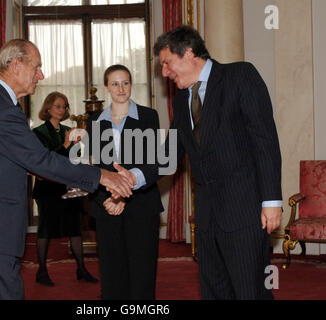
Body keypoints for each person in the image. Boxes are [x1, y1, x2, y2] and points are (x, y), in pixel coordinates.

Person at [0, 39, 133, 300]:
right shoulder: (0, 108)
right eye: (36, 67)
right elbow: (41, 160)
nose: (41, 75)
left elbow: (9, 160)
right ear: (16, 65)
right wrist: (103, 176)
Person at [117, 25, 283, 299]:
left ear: (189, 53)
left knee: (250, 292)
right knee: (215, 292)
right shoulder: (183, 100)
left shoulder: (239, 76)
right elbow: (169, 153)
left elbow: (264, 141)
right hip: (207, 219)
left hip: (244, 213)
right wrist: (133, 177)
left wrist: (272, 201)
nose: (165, 72)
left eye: (167, 63)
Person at [85, 64, 164, 300]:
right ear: (106, 87)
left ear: (131, 85)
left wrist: (122, 194)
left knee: (142, 272)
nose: (121, 88)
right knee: (112, 272)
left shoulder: (149, 116)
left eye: (126, 83)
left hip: (141, 203)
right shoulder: (95, 120)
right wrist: (111, 197)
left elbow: (152, 163)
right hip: (106, 204)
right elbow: (94, 166)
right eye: (115, 83)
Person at [32, 91, 97, 286]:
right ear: (48, 108)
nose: (62, 110)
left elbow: (73, 160)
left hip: (68, 187)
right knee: (45, 229)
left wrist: (76, 147)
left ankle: (81, 268)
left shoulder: (68, 129)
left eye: (65, 106)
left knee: (75, 228)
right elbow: (44, 161)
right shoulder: (38, 132)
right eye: (58, 106)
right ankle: (42, 270)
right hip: (47, 188)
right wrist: (66, 144)